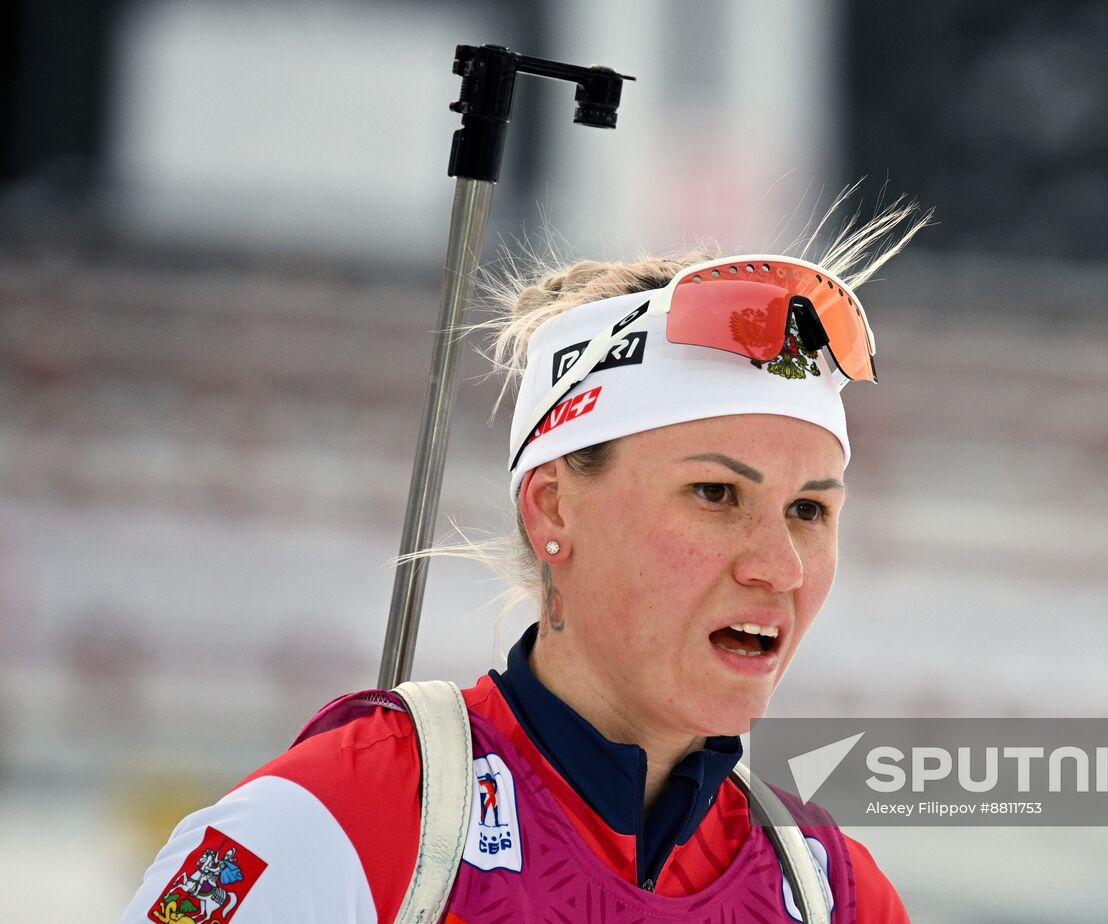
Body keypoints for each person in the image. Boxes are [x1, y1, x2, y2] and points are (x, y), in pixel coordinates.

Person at [120, 208, 926, 923]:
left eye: (810, 511)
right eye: (715, 493)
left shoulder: (829, 893)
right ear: (552, 508)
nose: (779, 566)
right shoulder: (342, 822)